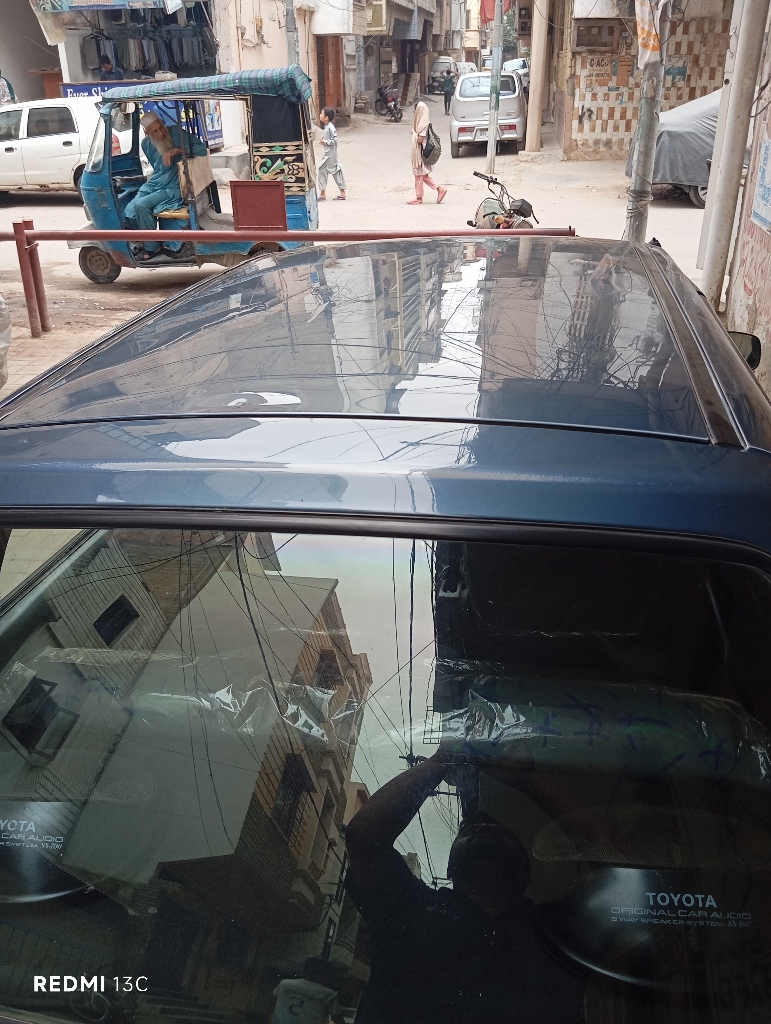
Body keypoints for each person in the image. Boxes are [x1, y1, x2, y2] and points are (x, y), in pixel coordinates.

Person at [345, 750, 592, 1024]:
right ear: (450, 870)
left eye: (501, 833)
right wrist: (441, 761)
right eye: (468, 831)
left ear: (526, 872)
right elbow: (363, 838)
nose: (483, 828)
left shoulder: (554, 930)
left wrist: (529, 779)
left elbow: (619, 866)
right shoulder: (409, 909)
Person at [124, 110, 206, 261]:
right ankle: (148, 238)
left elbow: (201, 150)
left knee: (141, 205)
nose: (161, 132)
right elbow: (158, 168)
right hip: (156, 183)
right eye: (155, 131)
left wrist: (176, 151)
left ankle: (152, 248)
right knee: (129, 212)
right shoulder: (146, 144)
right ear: (147, 133)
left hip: (174, 186)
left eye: (161, 127)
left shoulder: (176, 133)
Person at [272, 957, 345, 1024]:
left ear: (304, 970)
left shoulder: (284, 984)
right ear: (323, 974)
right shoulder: (328, 994)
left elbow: (272, 1005)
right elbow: (337, 1018)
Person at [409, 102, 446, 206]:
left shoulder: (422, 125)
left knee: (419, 176)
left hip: (421, 154)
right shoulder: (424, 123)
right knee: (423, 176)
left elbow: (420, 140)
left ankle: (419, 198)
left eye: (415, 111)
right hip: (421, 153)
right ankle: (440, 190)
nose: (414, 113)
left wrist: (414, 133)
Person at [317, 107, 346, 201]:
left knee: (323, 170)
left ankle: (323, 193)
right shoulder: (327, 126)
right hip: (330, 153)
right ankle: (342, 191)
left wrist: (325, 142)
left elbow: (335, 140)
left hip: (330, 155)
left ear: (326, 117)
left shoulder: (330, 127)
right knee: (335, 170)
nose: (320, 115)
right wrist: (324, 141)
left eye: (322, 113)